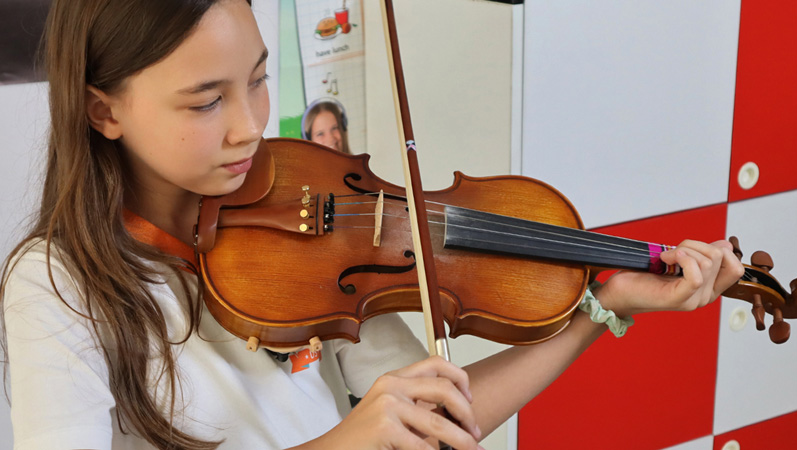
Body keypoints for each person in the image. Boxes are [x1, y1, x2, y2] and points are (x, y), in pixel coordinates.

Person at [0, 0, 743, 449]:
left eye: (257, 80)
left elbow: (435, 414)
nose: (249, 128)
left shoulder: (306, 211)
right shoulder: (57, 285)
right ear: (104, 111)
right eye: (205, 102)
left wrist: (599, 306)